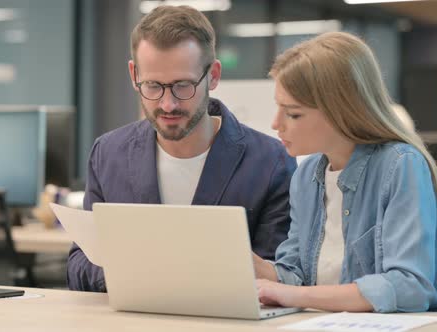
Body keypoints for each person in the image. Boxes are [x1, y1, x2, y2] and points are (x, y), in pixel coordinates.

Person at [67, 5, 297, 292]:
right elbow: (79, 263)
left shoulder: (271, 162)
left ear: (212, 75)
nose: (167, 104)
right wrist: (137, 274)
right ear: (133, 74)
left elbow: (280, 274)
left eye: (182, 86)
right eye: (152, 86)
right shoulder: (108, 154)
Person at [253, 32, 437, 313]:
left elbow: (408, 287)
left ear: (340, 112)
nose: (275, 123)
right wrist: (245, 263)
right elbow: (295, 275)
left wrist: (294, 296)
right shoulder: (306, 176)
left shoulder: (401, 166)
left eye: (293, 114)